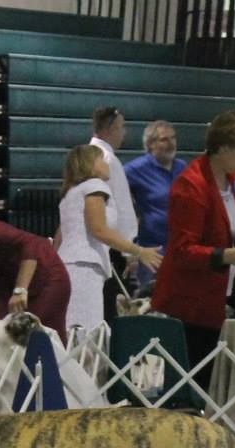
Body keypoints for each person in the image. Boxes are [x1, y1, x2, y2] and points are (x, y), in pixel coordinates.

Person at [152, 110, 235, 389]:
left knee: (217, 386)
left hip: (221, 299)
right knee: (196, 385)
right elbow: (183, 250)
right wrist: (225, 255)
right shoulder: (191, 185)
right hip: (189, 304)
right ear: (224, 147)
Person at [56, 144, 161, 333]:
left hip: (68, 266)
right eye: (101, 159)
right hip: (85, 267)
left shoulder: (71, 192)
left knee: (71, 326)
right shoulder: (95, 186)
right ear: (90, 164)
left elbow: (60, 236)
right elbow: (99, 230)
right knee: (87, 329)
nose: (107, 164)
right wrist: (139, 251)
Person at [0, 215, 72, 343]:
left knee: (42, 341)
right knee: (5, 340)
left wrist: (20, 289)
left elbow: (31, 242)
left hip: (45, 275)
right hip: (5, 286)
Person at [89, 105, 139, 314]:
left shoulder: (87, 155)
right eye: (121, 127)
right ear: (109, 130)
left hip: (96, 246)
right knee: (110, 309)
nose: (124, 133)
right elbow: (120, 209)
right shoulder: (108, 161)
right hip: (111, 249)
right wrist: (129, 250)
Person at [123, 120, 187, 282]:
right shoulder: (134, 170)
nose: (171, 143)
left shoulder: (183, 168)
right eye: (164, 139)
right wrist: (131, 252)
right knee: (152, 302)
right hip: (153, 251)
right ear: (150, 144)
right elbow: (120, 204)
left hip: (182, 249)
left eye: (173, 138)